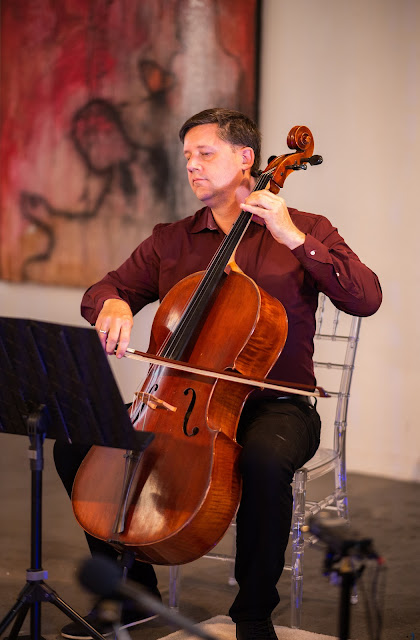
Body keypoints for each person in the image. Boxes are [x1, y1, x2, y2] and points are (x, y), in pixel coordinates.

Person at [54, 108, 382, 640]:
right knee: (76, 443)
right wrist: (110, 303)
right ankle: (131, 592)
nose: (192, 166)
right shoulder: (172, 239)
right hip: (177, 402)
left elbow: (365, 298)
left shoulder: (306, 227)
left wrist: (293, 237)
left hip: (278, 404)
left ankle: (252, 613)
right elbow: (106, 289)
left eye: (205, 154)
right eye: (187, 156)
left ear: (246, 158)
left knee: (265, 459)